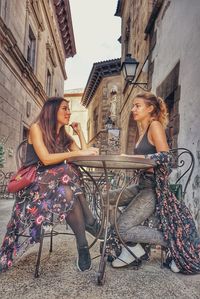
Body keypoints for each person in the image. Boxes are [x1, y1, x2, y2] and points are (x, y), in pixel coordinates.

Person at [0, 97, 101, 273]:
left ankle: (83, 246)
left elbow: (84, 157)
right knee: (68, 168)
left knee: (67, 190)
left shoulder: (63, 135)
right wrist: (71, 157)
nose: (69, 112)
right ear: (52, 111)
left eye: (69, 109)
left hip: (59, 188)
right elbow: (45, 159)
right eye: (65, 108)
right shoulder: (36, 128)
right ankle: (90, 221)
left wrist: (80, 133)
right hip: (35, 187)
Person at [109, 92, 200, 274]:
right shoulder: (141, 130)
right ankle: (133, 246)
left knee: (122, 228)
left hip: (153, 188)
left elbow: (166, 157)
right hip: (140, 185)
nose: (133, 109)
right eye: (133, 105)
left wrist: (132, 158)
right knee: (105, 198)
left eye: (137, 106)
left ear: (150, 109)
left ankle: (172, 240)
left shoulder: (155, 125)